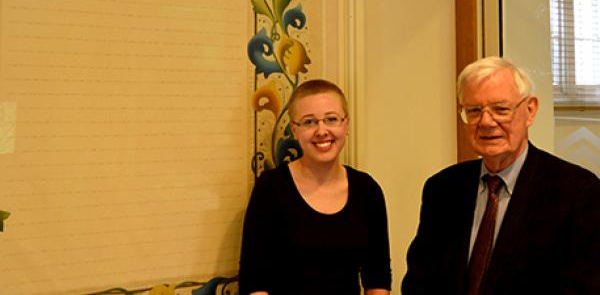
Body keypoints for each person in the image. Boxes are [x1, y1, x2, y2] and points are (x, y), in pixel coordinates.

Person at [401, 56, 600, 295]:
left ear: (530, 110)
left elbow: (581, 289)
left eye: (500, 109)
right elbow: (419, 283)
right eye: (474, 110)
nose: (486, 122)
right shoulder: (442, 189)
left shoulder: (578, 192)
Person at [238, 79, 392, 295]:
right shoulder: (271, 189)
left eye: (331, 119)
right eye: (309, 122)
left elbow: (378, 278)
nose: (322, 131)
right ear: (295, 130)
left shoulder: (367, 190)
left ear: (346, 125)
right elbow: (255, 284)